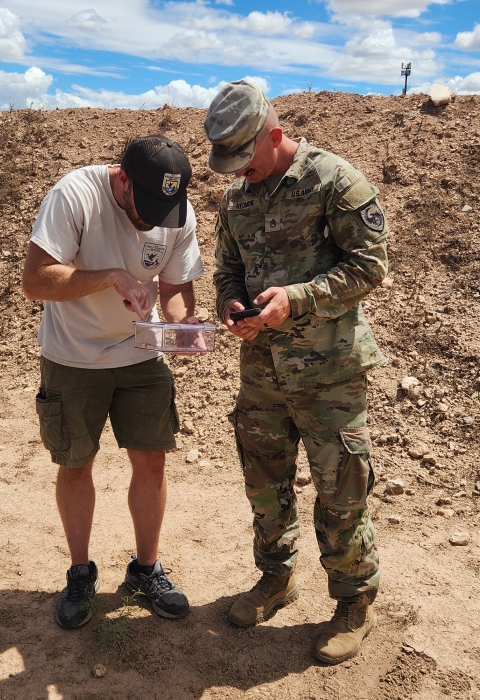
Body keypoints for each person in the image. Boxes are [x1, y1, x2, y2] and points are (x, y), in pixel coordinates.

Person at [204, 80, 388, 665]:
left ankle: (354, 601)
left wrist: (299, 300)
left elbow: (370, 266)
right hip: (260, 373)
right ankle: (276, 579)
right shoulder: (237, 199)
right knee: (265, 483)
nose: (240, 175)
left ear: (275, 136)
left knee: (341, 490)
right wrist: (232, 306)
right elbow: (227, 270)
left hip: (329, 373)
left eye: (246, 161)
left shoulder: (335, 181)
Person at [22, 135, 204, 629]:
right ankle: (80, 573)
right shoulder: (74, 194)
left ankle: (146, 570)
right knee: (76, 464)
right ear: (122, 178)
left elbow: (176, 289)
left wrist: (180, 327)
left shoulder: (176, 211)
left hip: (141, 354)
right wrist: (111, 277)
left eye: (162, 210)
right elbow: (35, 280)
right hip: (73, 356)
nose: (151, 220)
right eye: (143, 207)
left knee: (152, 462)